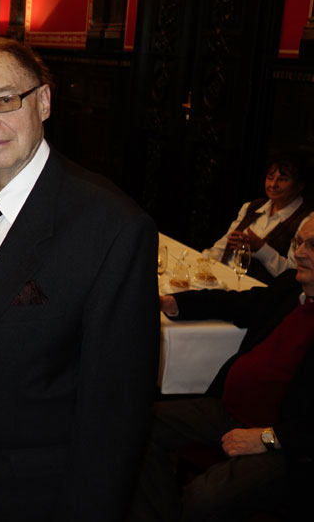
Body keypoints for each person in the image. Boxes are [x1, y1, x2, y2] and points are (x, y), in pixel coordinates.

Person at [0, 37, 159, 519]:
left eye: (5, 100)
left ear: (43, 101)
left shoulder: (112, 227)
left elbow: (115, 409)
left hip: (34, 494)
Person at [128, 214, 314, 521]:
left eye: (312, 245)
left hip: (285, 444)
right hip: (228, 411)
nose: (300, 252)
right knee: (134, 426)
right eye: (299, 243)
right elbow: (238, 303)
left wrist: (268, 438)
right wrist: (176, 303)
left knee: (205, 497)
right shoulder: (290, 291)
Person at [203, 154, 311, 283]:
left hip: (258, 293)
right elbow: (225, 243)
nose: (273, 184)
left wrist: (261, 248)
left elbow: (293, 273)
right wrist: (207, 262)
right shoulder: (252, 207)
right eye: (270, 178)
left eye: (282, 179)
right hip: (223, 277)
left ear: (299, 185)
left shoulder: (306, 221)